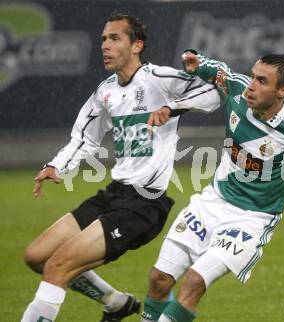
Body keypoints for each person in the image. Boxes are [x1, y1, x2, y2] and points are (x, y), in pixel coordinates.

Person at [140, 50, 284, 321]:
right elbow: (222, 72)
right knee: (159, 279)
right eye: (253, 76)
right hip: (212, 201)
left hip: (251, 220)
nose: (251, 85)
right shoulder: (240, 90)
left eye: (262, 81)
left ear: (282, 91)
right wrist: (199, 63)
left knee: (193, 283)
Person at [20, 13, 219, 322]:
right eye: (103, 39)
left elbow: (211, 93)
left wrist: (172, 107)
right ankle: (115, 302)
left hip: (143, 204)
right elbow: (84, 137)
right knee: (37, 257)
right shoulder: (106, 91)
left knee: (58, 266)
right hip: (114, 195)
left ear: (136, 45)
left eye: (114, 38)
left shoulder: (158, 78)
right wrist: (56, 166)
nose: (105, 46)